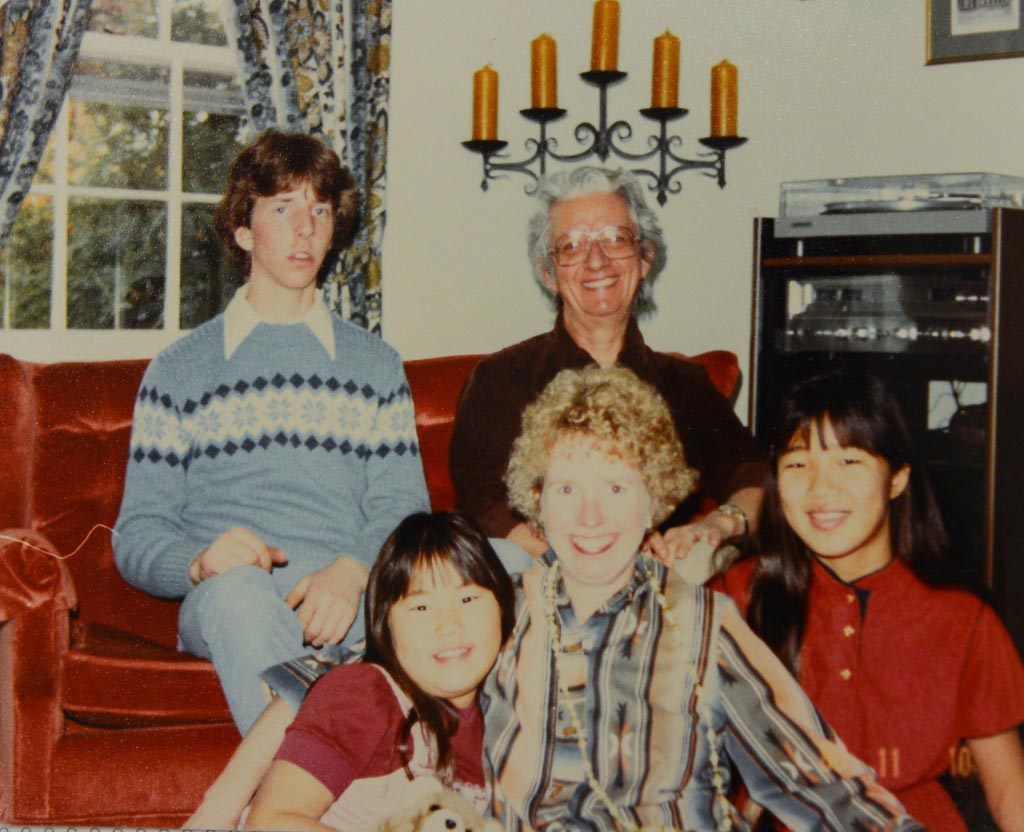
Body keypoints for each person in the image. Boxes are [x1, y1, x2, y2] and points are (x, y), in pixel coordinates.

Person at [484, 365, 925, 831]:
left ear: (654, 500)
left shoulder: (701, 622)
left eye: (616, 488)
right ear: (537, 500)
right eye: (567, 488)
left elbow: (811, 776)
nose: (589, 515)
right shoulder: (498, 614)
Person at [113, 130, 429, 734]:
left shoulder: (376, 366)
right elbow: (136, 536)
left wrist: (354, 569)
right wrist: (201, 561)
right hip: (232, 602)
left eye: (320, 210)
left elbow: (403, 507)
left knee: (502, 567)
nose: (304, 228)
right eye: (282, 208)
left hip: (351, 600)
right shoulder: (179, 370)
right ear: (242, 230)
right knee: (243, 597)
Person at [711, 370, 1024, 831]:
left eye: (849, 462)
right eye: (798, 464)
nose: (821, 490)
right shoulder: (737, 596)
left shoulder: (963, 618)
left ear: (897, 478)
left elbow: (1008, 789)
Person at [450, 166, 766, 565]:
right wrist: (584, 562)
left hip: (660, 581)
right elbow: (483, 505)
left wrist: (720, 525)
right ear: (548, 273)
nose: (596, 261)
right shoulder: (501, 379)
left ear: (645, 256)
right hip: (540, 579)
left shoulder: (685, 385)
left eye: (616, 239)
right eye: (571, 246)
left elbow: (754, 476)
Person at [242, 511, 516, 831]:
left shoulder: (506, 719)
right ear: (386, 626)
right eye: (421, 607)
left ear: (503, 606)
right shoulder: (363, 693)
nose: (448, 625)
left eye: (468, 598)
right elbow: (270, 823)